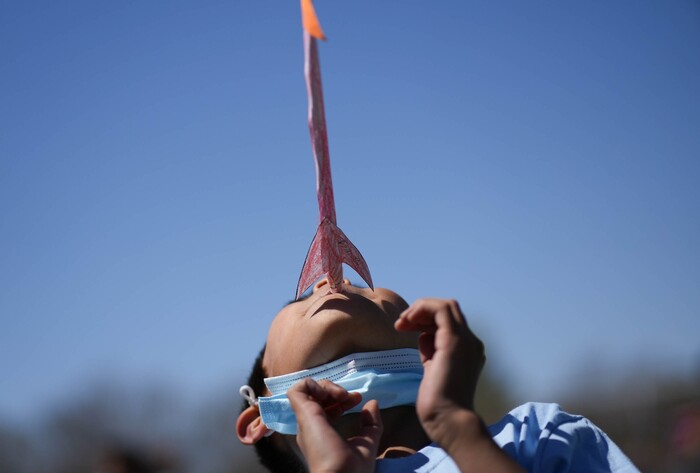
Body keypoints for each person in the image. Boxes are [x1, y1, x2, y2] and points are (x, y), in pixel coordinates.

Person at [236, 279, 639, 472]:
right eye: (302, 296)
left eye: (364, 283)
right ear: (260, 419)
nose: (330, 278)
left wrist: (456, 426)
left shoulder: (540, 436)